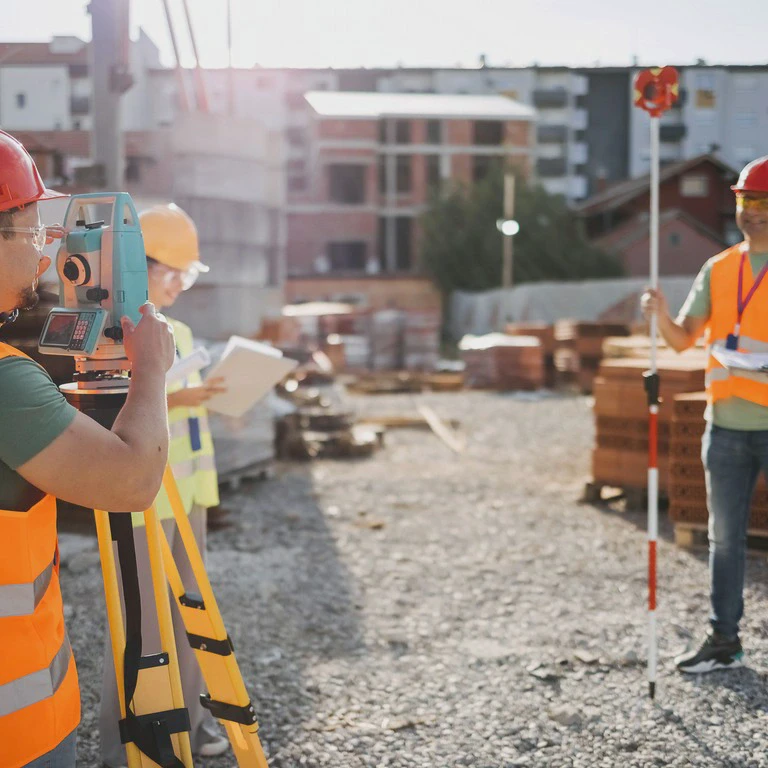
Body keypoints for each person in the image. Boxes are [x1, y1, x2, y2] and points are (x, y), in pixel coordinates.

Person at [0, 129, 175, 768]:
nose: (48, 251)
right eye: (30, 231)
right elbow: (131, 484)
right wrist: (149, 370)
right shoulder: (5, 383)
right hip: (16, 731)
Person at [99, 203, 228, 766]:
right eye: (173, 273)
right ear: (142, 267)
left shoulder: (181, 329)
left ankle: (191, 728)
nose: (180, 285)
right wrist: (183, 396)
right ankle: (125, 744)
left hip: (193, 494)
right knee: (141, 623)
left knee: (190, 616)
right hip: (148, 495)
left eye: (186, 275)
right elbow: (118, 411)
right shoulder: (118, 331)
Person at [642, 155, 768, 674]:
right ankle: (724, 642)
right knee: (724, 542)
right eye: (746, 202)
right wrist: (659, 315)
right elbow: (681, 342)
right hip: (727, 429)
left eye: (763, 203)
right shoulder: (718, 269)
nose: (753, 212)